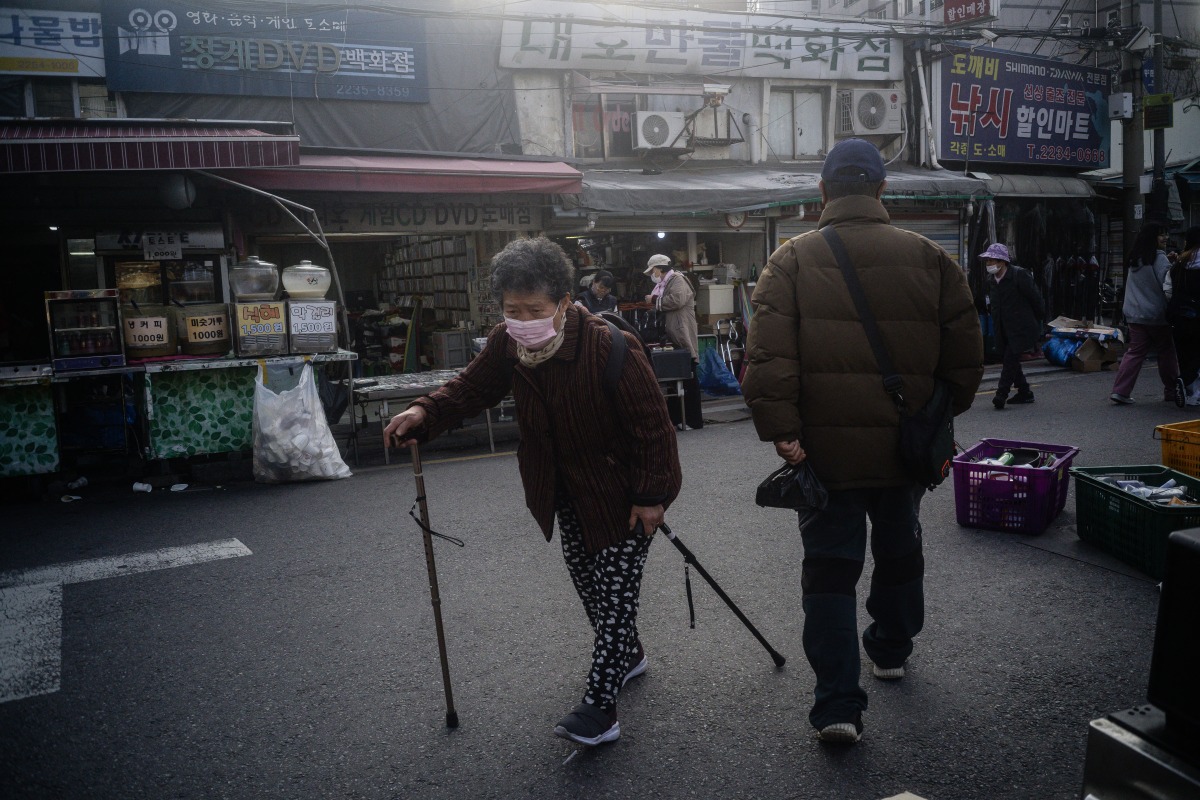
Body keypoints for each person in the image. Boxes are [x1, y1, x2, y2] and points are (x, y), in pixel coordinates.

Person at [383, 237, 681, 747]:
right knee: (590, 586)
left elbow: (654, 430)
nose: (522, 319)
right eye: (511, 309)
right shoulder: (509, 344)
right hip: (561, 490)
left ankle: (600, 708)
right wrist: (425, 412)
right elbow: (470, 389)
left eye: (534, 309)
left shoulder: (611, 347)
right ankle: (627, 655)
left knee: (613, 596)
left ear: (564, 303)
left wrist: (652, 496)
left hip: (621, 493)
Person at [741, 138, 983, 745]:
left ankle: (836, 706)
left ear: (822, 193)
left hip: (824, 456)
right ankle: (892, 647)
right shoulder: (931, 259)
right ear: (882, 191)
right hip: (905, 451)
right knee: (900, 551)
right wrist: (933, 419)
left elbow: (766, 360)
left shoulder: (790, 261)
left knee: (829, 572)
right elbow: (967, 362)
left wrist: (785, 435)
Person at [1110, 222, 1180, 405]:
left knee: (1135, 352)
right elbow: (1168, 284)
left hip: (1135, 313)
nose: (1165, 238)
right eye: (1161, 235)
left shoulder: (1136, 258)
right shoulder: (1159, 258)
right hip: (1156, 315)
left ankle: (1120, 391)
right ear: (1153, 238)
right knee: (1166, 352)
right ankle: (1172, 390)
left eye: (1166, 234)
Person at [644, 254, 704, 430]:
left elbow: (676, 300)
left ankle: (693, 420)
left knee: (689, 376)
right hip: (675, 335)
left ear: (658, 268)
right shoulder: (667, 282)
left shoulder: (677, 279)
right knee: (675, 379)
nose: (652, 275)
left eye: (652, 271)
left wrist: (654, 300)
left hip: (683, 334)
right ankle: (678, 418)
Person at [982, 243, 1045, 410]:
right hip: (1002, 328)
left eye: (992, 260)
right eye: (987, 260)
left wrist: (1041, 322)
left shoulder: (1019, 275)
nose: (989, 264)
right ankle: (1025, 392)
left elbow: (1036, 298)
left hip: (1021, 327)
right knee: (1011, 360)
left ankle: (1001, 394)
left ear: (1002, 261)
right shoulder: (991, 281)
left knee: (1010, 359)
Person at [1165, 226, 1200, 406]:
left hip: (1177, 315)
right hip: (1196, 316)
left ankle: (1188, 392)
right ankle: (1185, 381)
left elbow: (1168, 290)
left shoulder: (1178, 264)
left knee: (1184, 354)